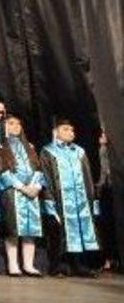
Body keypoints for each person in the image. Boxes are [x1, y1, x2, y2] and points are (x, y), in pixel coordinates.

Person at [41, 118, 100, 277]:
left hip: (81, 200)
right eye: (65, 129)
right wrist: (49, 201)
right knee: (60, 234)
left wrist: (93, 200)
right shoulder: (48, 152)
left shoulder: (79, 151)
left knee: (82, 231)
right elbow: (46, 178)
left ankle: (80, 265)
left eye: (72, 130)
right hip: (60, 201)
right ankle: (58, 266)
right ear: (56, 132)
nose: (70, 132)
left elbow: (88, 177)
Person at [0, 113, 45, 276]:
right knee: (13, 229)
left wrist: (36, 186)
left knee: (30, 230)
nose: (15, 126)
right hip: (13, 192)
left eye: (18, 124)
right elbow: (2, 172)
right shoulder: (0, 147)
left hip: (32, 191)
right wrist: (22, 187)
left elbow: (38, 168)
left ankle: (28, 265)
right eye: (11, 123)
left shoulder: (29, 147)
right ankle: (13, 265)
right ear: (4, 126)